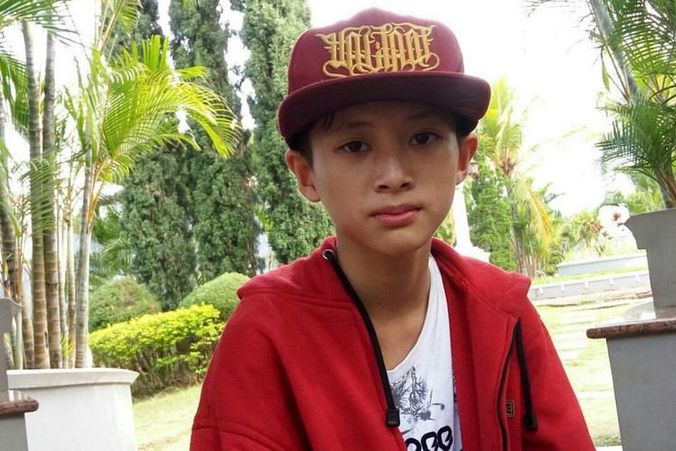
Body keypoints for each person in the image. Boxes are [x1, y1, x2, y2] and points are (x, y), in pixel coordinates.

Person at [190, 8, 595, 451]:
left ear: (463, 158)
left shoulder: (501, 311)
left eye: (423, 138)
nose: (394, 174)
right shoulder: (266, 336)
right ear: (306, 174)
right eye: (355, 145)